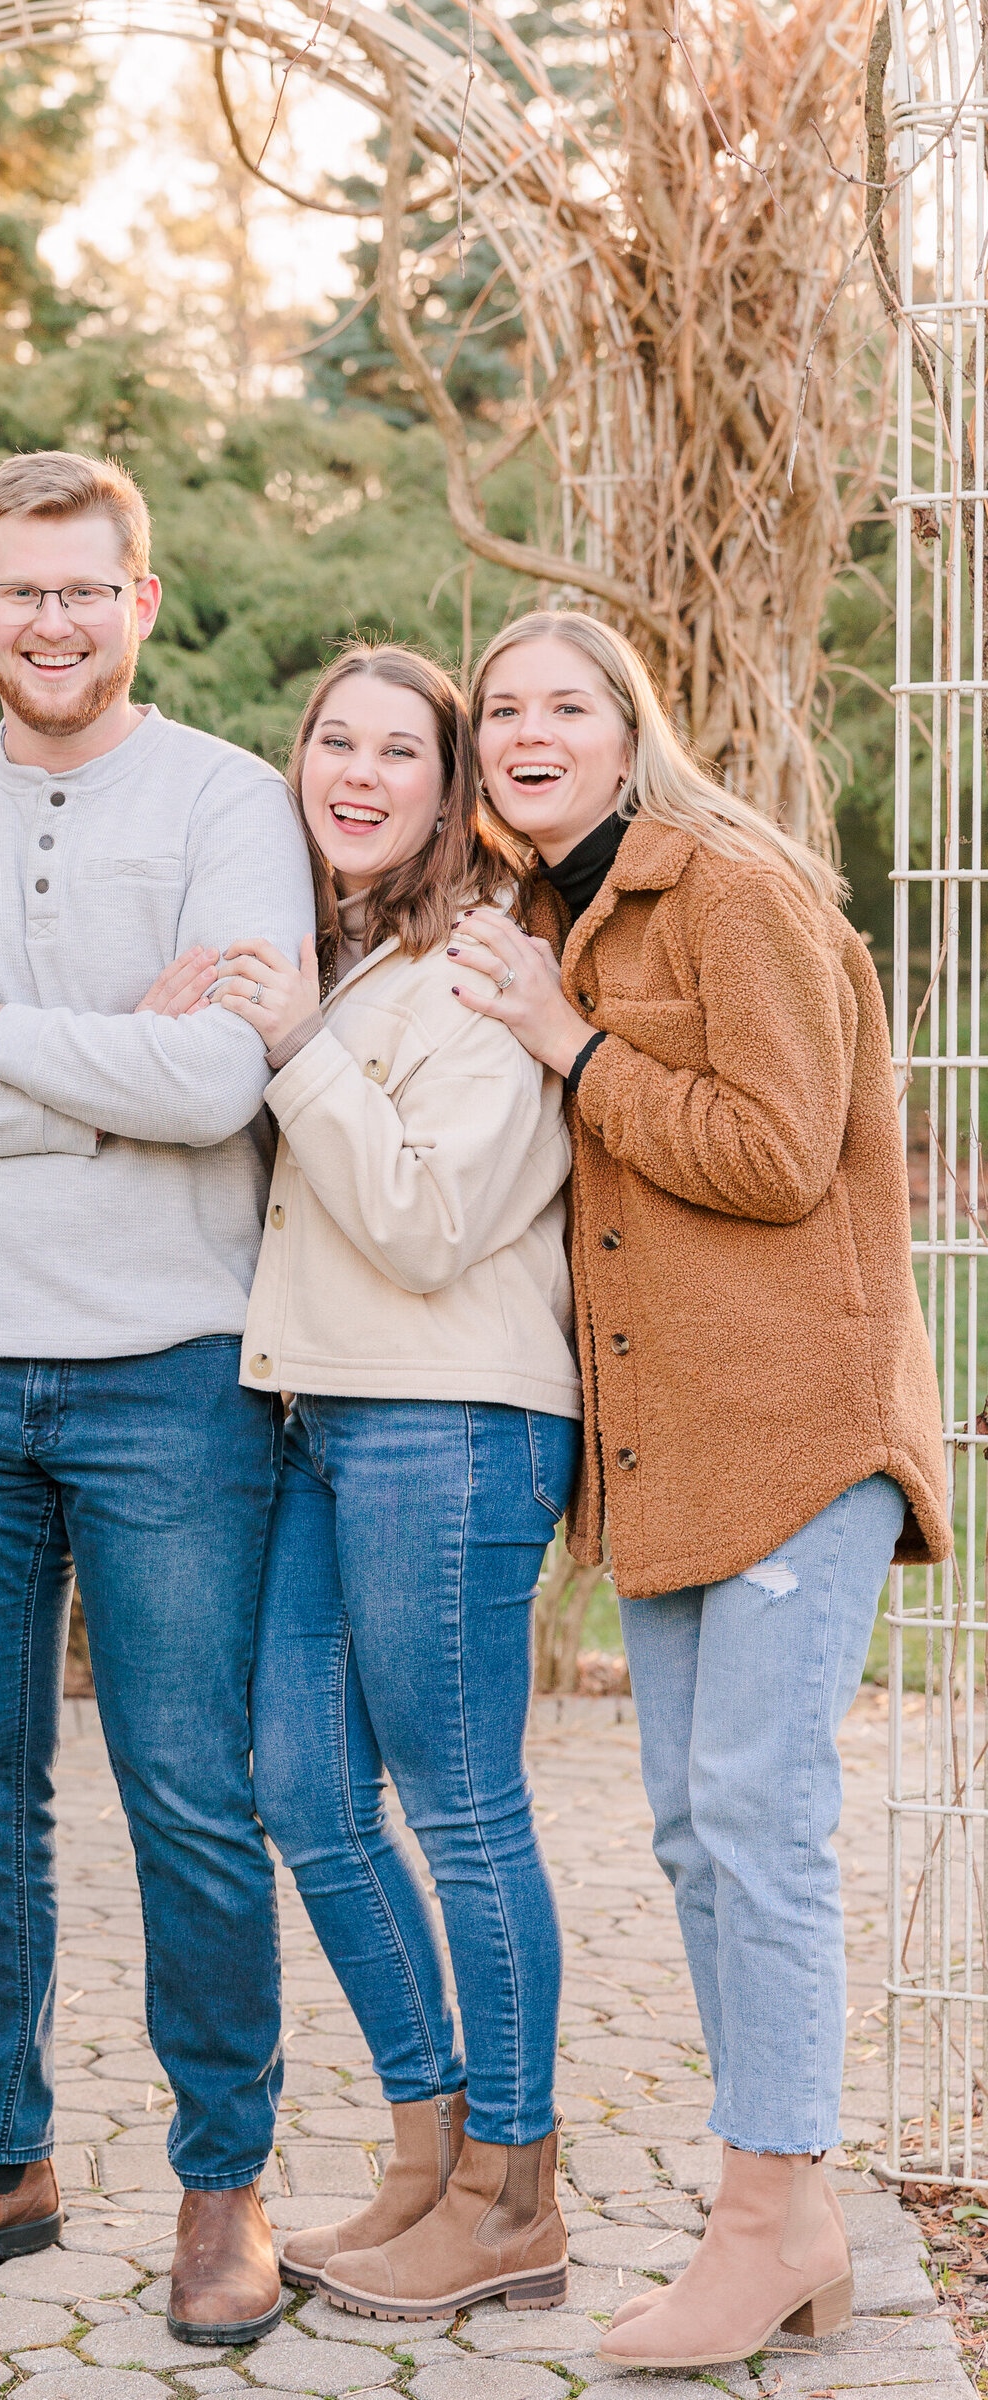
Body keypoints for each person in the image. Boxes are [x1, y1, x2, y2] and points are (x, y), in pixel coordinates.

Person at [0, 451, 316, 2344]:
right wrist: (123, 1050)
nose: (51, 621)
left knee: (192, 1789)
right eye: (19, 590)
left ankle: (222, 2186)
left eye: (85, 589)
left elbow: (220, 1092)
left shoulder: (233, 801)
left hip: (174, 1370)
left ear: (142, 603)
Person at [446, 610, 949, 2369]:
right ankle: (786, 2223)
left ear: (627, 727)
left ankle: (764, 2216)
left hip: (800, 1432)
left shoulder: (727, 890)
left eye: (562, 703)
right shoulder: (553, 918)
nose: (526, 728)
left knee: (754, 1817)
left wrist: (562, 1044)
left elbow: (778, 1149)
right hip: (664, 1457)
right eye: (500, 706)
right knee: (690, 1829)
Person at [207, 642, 580, 2321]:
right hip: (323, 1419)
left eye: (399, 752)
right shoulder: (350, 954)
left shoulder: (492, 960)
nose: (357, 774)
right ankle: (430, 2156)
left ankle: (517, 2195)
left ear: (450, 789)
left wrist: (293, 1044)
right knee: (302, 1792)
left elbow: (430, 1221)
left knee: (463, 1805)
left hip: (450, 1417)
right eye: (331, 742)